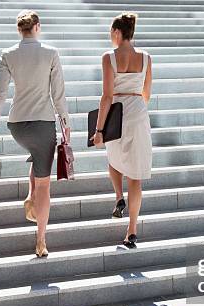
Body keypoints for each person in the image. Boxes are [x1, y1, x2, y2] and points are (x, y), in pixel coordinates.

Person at [0, 10, 71, 257]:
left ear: (19, 29)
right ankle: (41, 240)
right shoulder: (51, 53)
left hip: (17, 125)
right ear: (37, 27)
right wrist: (65, 123)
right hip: (43, 125)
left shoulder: (8, 54)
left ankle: (30, 194)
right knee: (45, 185)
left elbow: (0, 92)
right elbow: (58, 95)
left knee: (36, 156)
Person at [90, 12, 153, 249]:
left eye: (110, 33)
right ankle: (132, 232)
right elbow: (147, 93)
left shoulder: (109, 57)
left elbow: (106, 96)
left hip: (117, 112)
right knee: (136, 176)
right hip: (138, 111)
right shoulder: (146, 58)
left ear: (117, 32)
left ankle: (119, 197)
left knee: (113, 159)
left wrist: (98, 130)